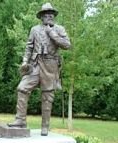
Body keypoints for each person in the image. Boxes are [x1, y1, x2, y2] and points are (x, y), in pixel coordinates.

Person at [8, 2, 71, 136]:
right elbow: (29, 47)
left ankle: (45, 127)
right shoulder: (34, 29)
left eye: (51, 14)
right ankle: (20, 120)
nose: (50, 16)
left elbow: (67, 45)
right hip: (35, 64)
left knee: (47, 96)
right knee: (22, 88)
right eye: (46, 14)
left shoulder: (59, 29)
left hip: (51, 65)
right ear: (41, 17)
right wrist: (25, 61)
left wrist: (52, 33)